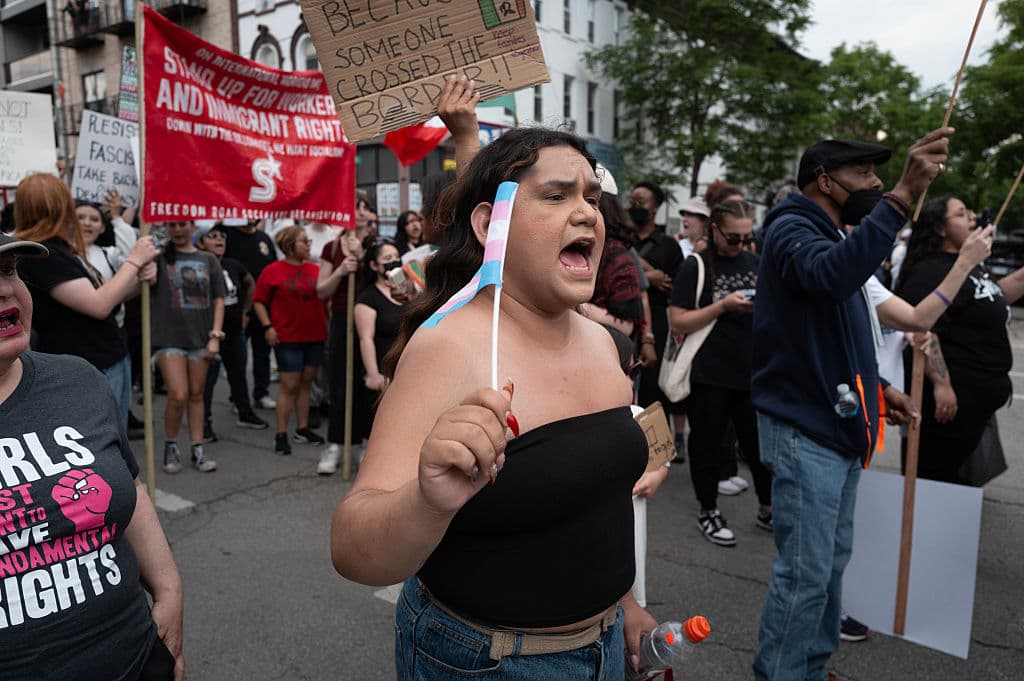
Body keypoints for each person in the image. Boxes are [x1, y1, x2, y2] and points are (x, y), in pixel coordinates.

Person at [330, 128, 658, 679]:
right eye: (556, 196)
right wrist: (427, 501)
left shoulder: (604, 343)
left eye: (592, 197)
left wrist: (623, 605)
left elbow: (596, 504)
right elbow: (351, 548)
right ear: (489, 225)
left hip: (607, 650)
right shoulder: (448, 348)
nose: (587, 214)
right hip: (488, 662)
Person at [750, 130, 951, 681]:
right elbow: (829, 277)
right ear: (825, 181)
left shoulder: (829, 234)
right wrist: (903, 196)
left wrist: (877, 388)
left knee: (829, 567)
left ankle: (811, 669)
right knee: (805, 575)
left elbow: (840, 329)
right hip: (805, 431)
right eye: (864, 174)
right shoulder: (791, 227)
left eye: (879, 175)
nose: (876, 183)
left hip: (834, 426)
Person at [0, 232, 184, 681]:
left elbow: (127, 484)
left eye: (7, 271)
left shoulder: (78, 379)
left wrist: (169, 589)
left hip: (137, 659)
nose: (5, 289)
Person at [894, 194, 1022, 483]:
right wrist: (942, 383)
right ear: (940, 228)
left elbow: (994, 295)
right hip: (950, 405)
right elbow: (921, 329)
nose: (972, 219)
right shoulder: (930, 270)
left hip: (977, 403)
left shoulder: (968, 264)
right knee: (936, 479)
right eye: (962, 214)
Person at [14, 174, 159, 427]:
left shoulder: (59, 249)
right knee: (104, 438)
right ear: (59, 207)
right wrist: (134, 261)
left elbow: (107, 295)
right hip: (90, 365)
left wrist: (141, 281)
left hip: (104, 358)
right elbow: (99, 305)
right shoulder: (41, 254)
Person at [670, 199, 774, 546]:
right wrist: (723, 306)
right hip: (709, 373)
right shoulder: (697, 265)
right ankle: (708, 510)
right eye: (733, 237)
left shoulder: (755, 262)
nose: (740, 245)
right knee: (707, 446)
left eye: (747, 237)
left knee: (758, 448)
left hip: (752, 372)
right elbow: (678, 320)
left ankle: (767, 507)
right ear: (715, 230)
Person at [152, 221, 224, 474]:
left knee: (196, 394)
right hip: (168, 338)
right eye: (171, 225)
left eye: (182, 224)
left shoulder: (208, 259)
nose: (177, 229)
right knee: (178, 394)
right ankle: (170, 445)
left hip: (201, 338)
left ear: (193, 226)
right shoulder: (158, 258)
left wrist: (215, 335)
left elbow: (219, 298)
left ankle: (197, 448)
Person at [254, 225, 327, 455]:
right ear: (289, 245)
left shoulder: (317, 270)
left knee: (306, 383)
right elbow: (259, 301)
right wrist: (268, 327)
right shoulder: (272, 271)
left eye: (309, 241)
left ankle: (302, 428)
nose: (308, 245)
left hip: (315, 335)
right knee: (289, 386)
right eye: (304, 241)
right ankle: (281, 433)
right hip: (288, 337)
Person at [195, 221, 268, 440]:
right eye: (213, 236)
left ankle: (244, 412)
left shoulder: (233, 264)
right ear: (200, 243)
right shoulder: (197, 266)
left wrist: (246, 311)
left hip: (235, 331)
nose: (220, 240)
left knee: (238, 374)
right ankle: (203, 422)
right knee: (207, 380)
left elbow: (250, 283)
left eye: (222, 236)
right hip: (209, 334)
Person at [629, 181, 683, 412]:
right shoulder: (622, 238)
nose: (635, 206)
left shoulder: (669, 245)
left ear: (656, 207)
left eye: (641, 202)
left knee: (652, 393)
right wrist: (649, 277)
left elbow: (676, 288)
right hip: (625, 319)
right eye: (632, 201)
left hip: (658, 324)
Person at [224, 217, 278, 410]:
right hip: (238, 306)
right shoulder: (228, 235)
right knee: (238, 356)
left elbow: (272, 267)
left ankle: (261, 393)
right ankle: (238, 397)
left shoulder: (264, 238)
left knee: (262, 352)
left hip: (263, 305)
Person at [353, 239, 404, 425]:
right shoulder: (367, 299)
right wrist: (373, 374)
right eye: (388, 258)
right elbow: (365, 339)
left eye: (397, 257)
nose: (394, 261)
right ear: (374, 265)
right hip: (385, 371)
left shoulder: (407, 291)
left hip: (406, 367)